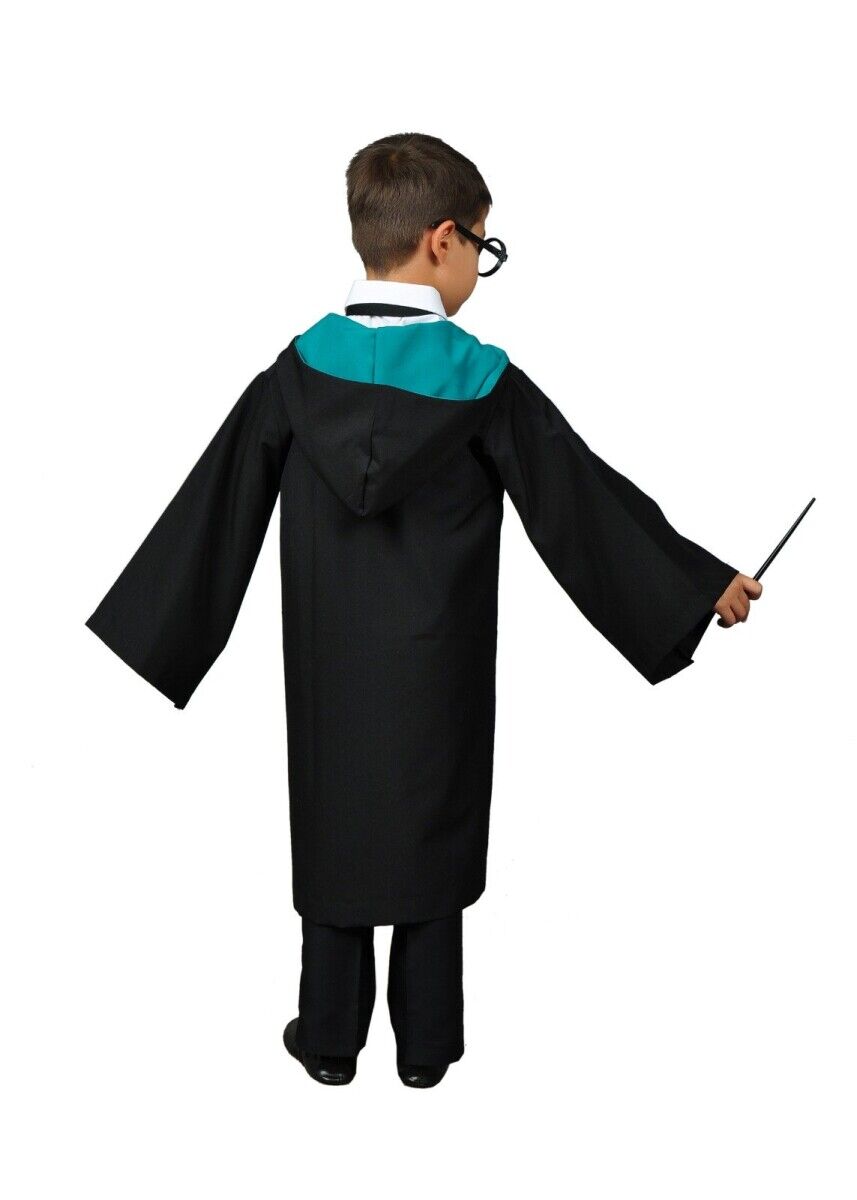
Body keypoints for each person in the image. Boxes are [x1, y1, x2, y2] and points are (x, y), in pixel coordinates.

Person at [85, 132, 763, 1090]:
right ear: (443, 239)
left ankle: (329, 1040)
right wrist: (695, 584)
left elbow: (214, 512)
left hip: (328, 667)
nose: (481, 265)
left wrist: (159, 624)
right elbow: (582, 508)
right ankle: (426, 1046)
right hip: (440, 666)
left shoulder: (294, 378)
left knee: (337, 821)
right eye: (483, 246)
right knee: (431, 823)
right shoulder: (484, 386)